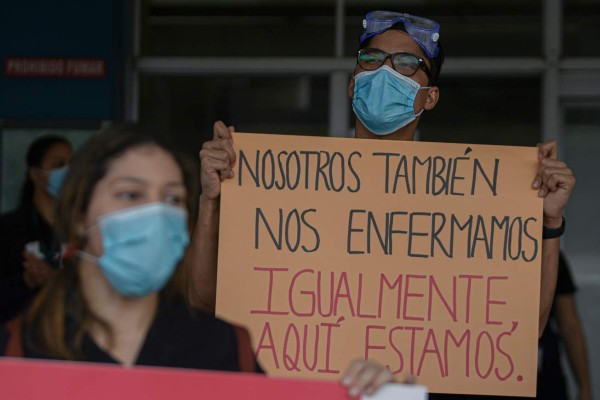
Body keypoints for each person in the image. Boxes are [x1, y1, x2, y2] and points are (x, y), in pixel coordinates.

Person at [189, 11, 575, 337]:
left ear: (431, 96)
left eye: (406, 64)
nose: (385, 71)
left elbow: (525, 328)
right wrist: (212, 201)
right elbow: (205, 304)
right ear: (353, 83)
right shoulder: (289, 190)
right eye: (371, 59)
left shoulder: (463, 208)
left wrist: (549, 221)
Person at [17, 124, 393, 397]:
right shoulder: (19, 348)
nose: (155, 215)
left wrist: (374, 393)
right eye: (131, 195)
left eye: (172, 200)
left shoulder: (226, 348)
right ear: (80, 215)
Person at [0, 135, 72, 323]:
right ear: (34, 174)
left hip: (71, 339)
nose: (67, 172)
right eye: (58, 165)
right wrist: (26, 281)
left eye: (72, 164)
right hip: (18, 339)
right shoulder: (7, 228)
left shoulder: (82, 229)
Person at [537, 252, 592, 400]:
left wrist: (585, 389)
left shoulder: (550, 257)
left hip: (545, 378)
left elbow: (570, 328)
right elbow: (570, 327)